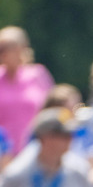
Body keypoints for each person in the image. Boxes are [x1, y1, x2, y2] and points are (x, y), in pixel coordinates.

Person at [0, 26, 54, 156]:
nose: (4, 52)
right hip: (3, 154)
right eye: (2, 49)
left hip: (36, 151)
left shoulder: (38, 75)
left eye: (9, 47)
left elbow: (52, 110)